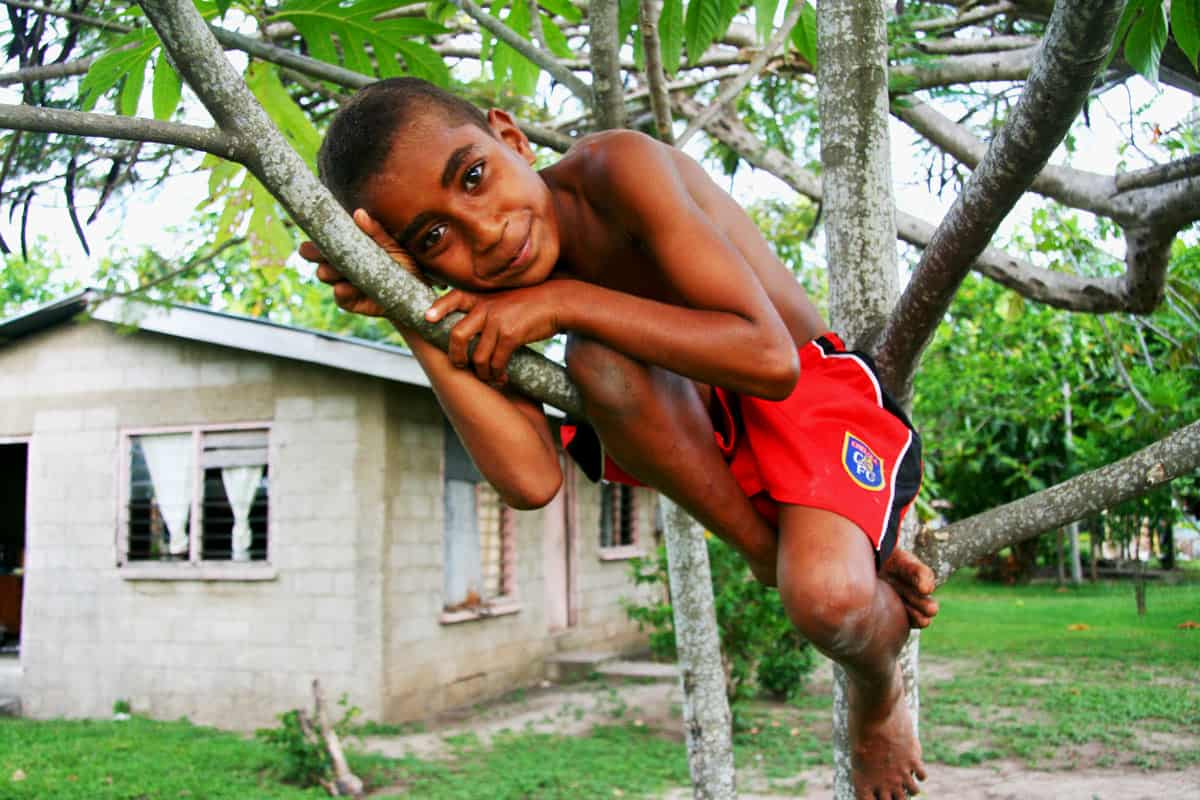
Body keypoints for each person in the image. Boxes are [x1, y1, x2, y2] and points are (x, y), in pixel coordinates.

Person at [300, 77, 938, 799]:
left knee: (827, 603)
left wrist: (565, 301)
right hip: (694, 433)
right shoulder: (493, 288)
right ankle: (785, 555)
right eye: (433, 237)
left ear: (510, 138)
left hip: (803, 396)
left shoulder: (617, 170)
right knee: (597, 363)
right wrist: (406, 310)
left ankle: (875, 689)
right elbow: (531, 479)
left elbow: (769, 362)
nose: (486, 232)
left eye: (474, 178)